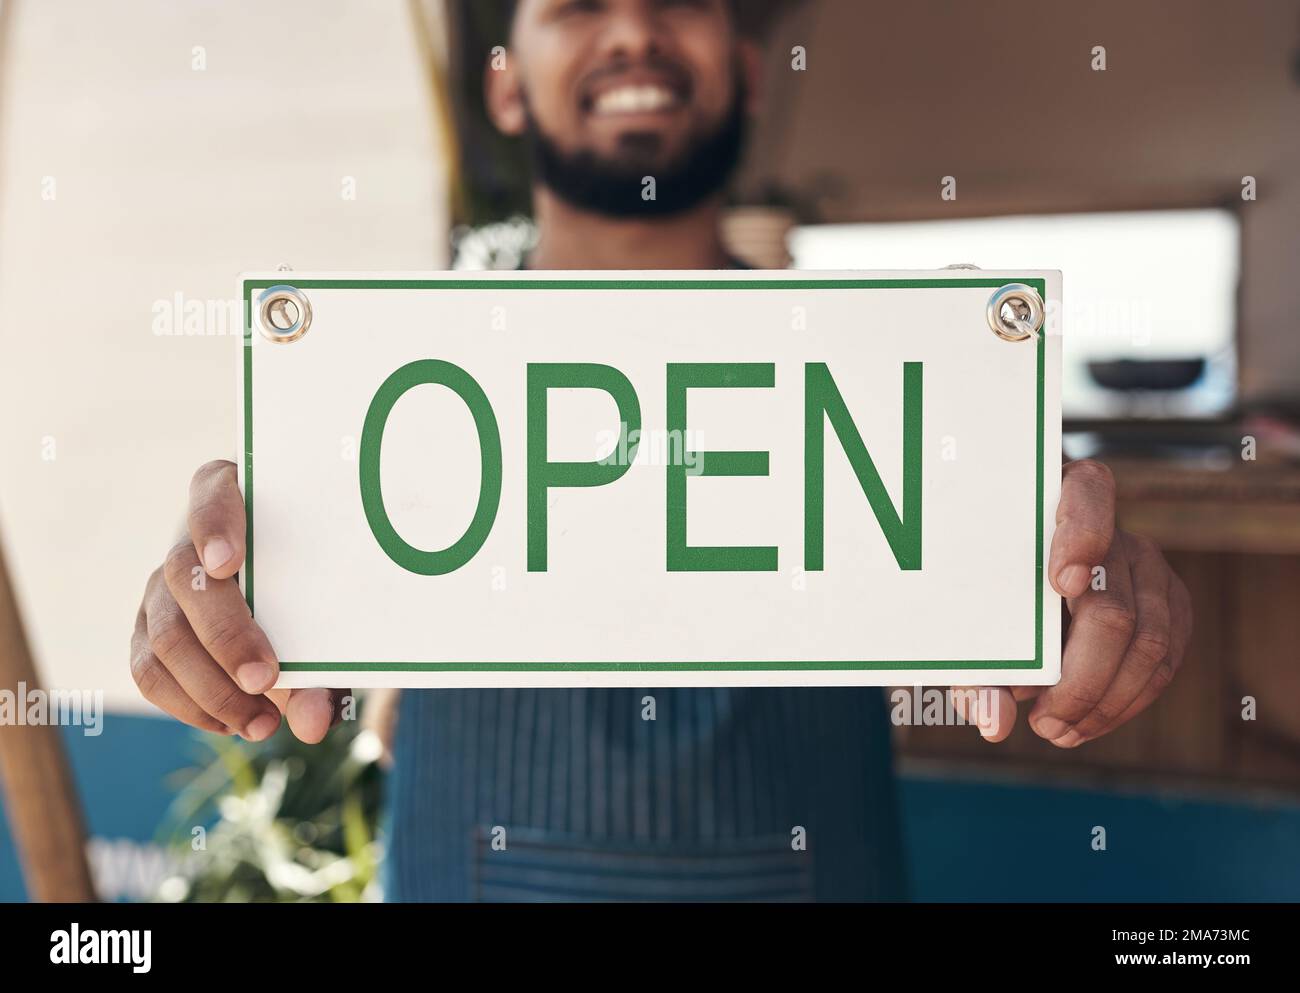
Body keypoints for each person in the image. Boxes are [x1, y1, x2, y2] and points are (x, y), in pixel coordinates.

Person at [129, 0, 1193, 901]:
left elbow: (1032, 582)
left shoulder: (897, 374)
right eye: (579, 2)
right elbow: (324, 672)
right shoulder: (382, 381)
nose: (634, 28)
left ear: (744, 71)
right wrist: (228, 602)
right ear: (506, 85)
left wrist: (1070, 591)